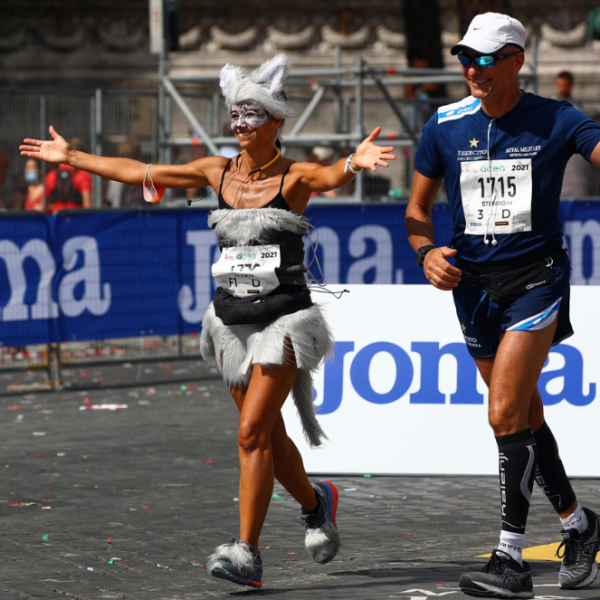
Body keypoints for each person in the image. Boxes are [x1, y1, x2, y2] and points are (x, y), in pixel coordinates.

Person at [21, 53, 395, 589]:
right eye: (236, 115)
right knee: (265, 435)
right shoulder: (215, 170)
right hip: (231, 323)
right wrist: (72, 156)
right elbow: (141, 172)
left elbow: (333, 174)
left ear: (275, 122)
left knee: (249, 433)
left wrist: (355, 162)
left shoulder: (294, 177)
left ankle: (247, 553)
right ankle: (316, 504)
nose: (241, 125)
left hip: (284, 323)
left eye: (253, 115)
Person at [405, 13, 600, 599]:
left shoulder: (557, 117)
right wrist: (425, 253)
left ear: (517, 59)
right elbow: (416, 214)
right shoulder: (443, 124)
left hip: (536, 279)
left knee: (503, 412)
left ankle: (510, 559)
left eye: (486, 59)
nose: (473, 70)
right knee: (521, 415)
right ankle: (579, 524)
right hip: (472, 286)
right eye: (466, 58)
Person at [45, 137, 92, 213]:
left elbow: (44, 204)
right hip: (76, 219)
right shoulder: (83, 175)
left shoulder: (51, 175)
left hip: (56, 219)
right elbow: (87, 205)